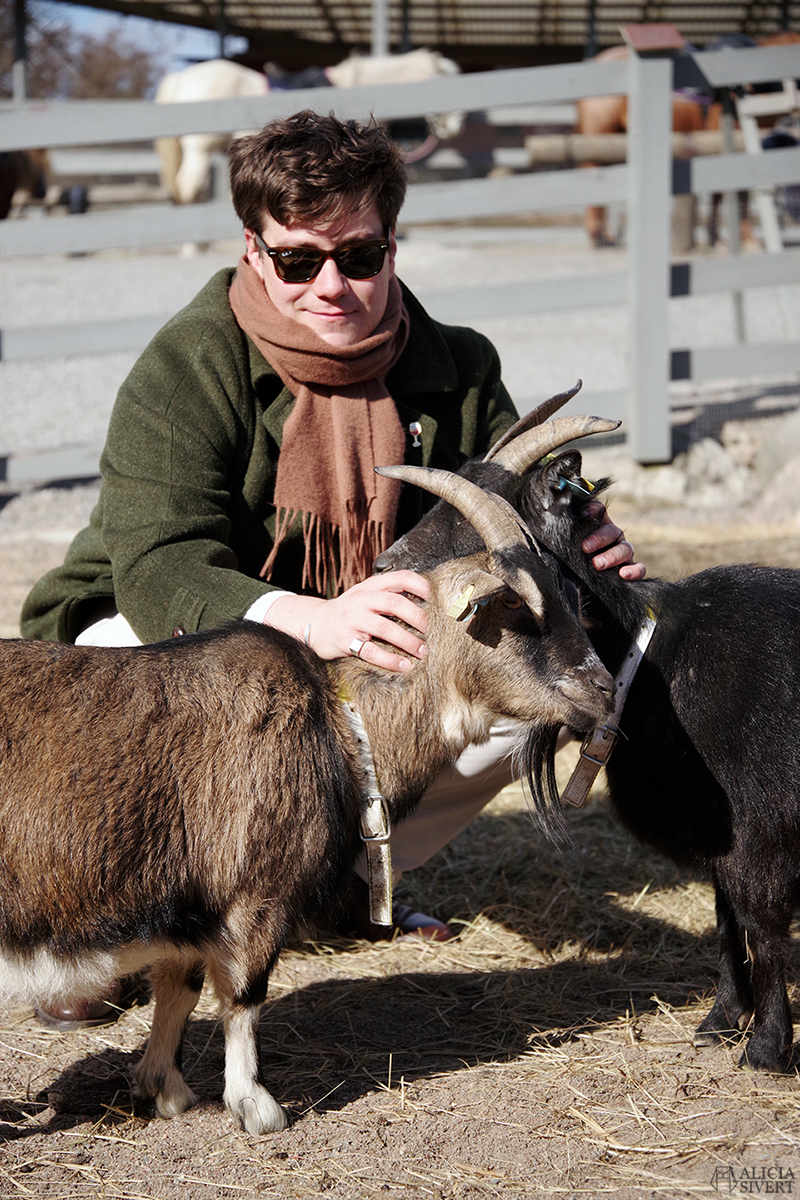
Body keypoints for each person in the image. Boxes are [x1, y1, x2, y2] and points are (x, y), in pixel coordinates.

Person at [21, 109, 644, 1028]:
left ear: (393, 242)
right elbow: (155, 565)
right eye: (298, 261)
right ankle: (124, 921)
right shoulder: (190, 363)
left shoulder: (461, 366)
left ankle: (338, 877)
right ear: (253, 246)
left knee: (520, 700)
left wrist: (584, 558)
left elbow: (517, 514)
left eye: (358, 257)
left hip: (356, 650)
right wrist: (309, 618)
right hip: (164, 641)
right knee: (158, 682)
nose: (331, 286)